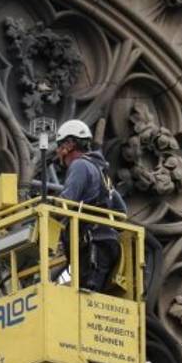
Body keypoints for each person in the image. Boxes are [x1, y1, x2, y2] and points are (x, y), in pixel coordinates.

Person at [54, 119, 127, 293]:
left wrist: (45, 210)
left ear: (70, 144)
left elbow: (66, 201)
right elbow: (122, 211)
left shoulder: (79, 165)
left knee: (85, 297)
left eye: (59, 146)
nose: (58, 152)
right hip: (106, 243)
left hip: (92, 244)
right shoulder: (102, 174)